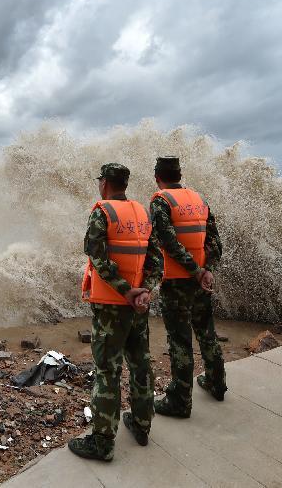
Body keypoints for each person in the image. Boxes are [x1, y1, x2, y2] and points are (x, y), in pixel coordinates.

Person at [68, 163, 162, 462]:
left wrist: (125, 290)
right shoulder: (143, 212)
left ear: (105, 183)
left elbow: (96, 255)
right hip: (139, 305)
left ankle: (103, 443)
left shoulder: (103, 211)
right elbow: (156, 259)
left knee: (107, 371)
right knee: (140, 363)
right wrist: (144, 290)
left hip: (112, 305)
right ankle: (142, 425)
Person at [149, 156, 226, 418]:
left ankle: (180, 401)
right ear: (179, 175)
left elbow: (168, 242)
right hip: (201, 280)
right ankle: (217, 383)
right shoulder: (198, 199)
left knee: (180, 341)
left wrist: (195, 272)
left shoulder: (161, 201)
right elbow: (215, 242)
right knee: (207, 333)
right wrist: (207, 272)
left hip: (177, 283)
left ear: (158, 176)